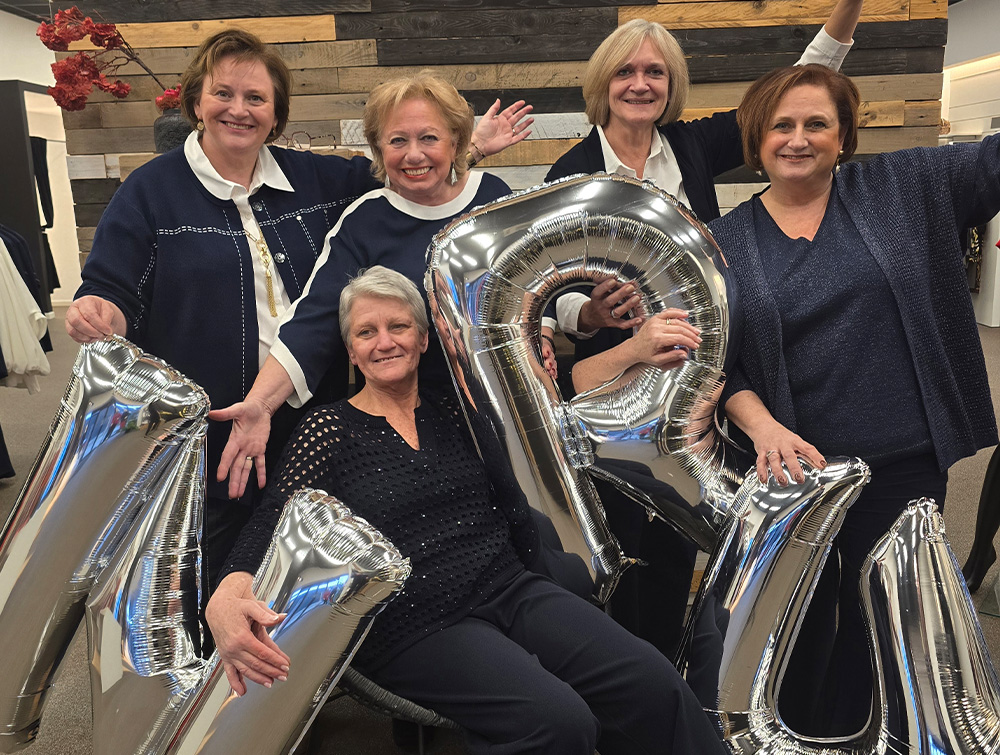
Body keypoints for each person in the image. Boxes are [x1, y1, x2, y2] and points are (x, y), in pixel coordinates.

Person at [62, 30, 532, 612]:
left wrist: (466, 146)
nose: (239, 110)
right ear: (196, 102)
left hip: (313, 411)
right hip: (215, 420)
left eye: (256, 98)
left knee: (315, 558)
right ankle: (215, 660)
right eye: (223, 93)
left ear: (276, 112)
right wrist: (99, 310)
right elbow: (112, 287)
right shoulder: (150, 190)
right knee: (215, 561)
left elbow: (409, 180)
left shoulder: (316, 180)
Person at [206, 266, 730, 755]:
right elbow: (274, 521)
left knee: (653, 682)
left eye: (398, 327)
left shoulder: (458, 412)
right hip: (414, 622)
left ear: (423, 339)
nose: (384, 342)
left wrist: (631, 347)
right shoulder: (328, 430)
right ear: (351, 351)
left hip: (509, 588)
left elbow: (549, 401)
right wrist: (227, 593)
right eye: (367, 332)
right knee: (557, 721)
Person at [533, 1, 862, 661]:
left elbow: (795, 85)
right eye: (626, 71)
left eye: (655, 72)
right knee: (620, 536)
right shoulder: (570, 171)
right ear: (603, 82)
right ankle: (620, 679)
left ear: (671, 83)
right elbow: (541, 286)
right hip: (615, 383)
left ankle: (667, 674)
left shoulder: (691, 146)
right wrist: (588, 314)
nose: (640, 84)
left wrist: (848, 10)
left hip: (699, 378)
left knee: (679, 535)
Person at [710, 63, 999, 736]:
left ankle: (865, 735)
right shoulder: (724, 242)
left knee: (887, 623)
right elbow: (717, 364)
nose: (798, 138)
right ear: (757, 141)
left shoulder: (904, 186)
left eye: (817, 123)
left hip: (903, 458)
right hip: (796, 474)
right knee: (793, 628)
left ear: (843, 136)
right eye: (781, 125)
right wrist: (762, 427)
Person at [210, 72, 521, 498]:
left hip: (510, 411)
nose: (413, 154)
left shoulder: (495, 198)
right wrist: (261, 404)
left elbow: (529, 281)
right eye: (397, 141)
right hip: (417, 427)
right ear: (378, 150)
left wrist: (558, 323)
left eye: (429, 138)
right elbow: (313, 322)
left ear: (456, 142)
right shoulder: (365, 220)